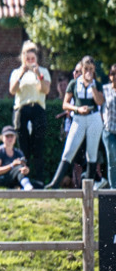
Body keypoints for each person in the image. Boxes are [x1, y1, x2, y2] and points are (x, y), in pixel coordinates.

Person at [46, 55, 105, 189]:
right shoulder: (74, 83)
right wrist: (77, 108)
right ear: (82, 69)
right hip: (78, 119)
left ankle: (89, 186)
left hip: (93, 119)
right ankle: (55, 183)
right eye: (86, 69)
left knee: (91, 153)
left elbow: (100, 101)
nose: (88, 72)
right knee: (68, 151)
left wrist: (92, 85)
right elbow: (65, 104)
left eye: (91, 69)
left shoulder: (97, 84)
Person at [8, 41, 51, 183]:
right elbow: (12, 91)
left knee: (38, 146)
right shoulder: (16, 72)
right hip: (22, 110)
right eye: (28, 59)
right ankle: (23, 179)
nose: (30, 62)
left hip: (37, 109)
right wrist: (22, 73)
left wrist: (38, 74)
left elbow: (45, 90)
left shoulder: (43, 71)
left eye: (33, 59)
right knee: (23, 146)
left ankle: (39, 179)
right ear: (23, 59)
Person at [0, 126, 39, 190]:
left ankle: (25, 186)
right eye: (7, 136)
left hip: (13, 178)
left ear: (15, 137)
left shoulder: (18, 152)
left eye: (12, 136)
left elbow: (23, 167)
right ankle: (26, 186)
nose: (10, 138)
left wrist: (26, 170)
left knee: (39, 185)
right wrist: (12, 165)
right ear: (2, 138)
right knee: (18, 169)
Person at [102, 64, 116, 190]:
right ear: (110, 76)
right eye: (114, 74)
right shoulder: (105, 89)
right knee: (112, 159)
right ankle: (113, 189)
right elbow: (100, 107)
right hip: (109, 130)